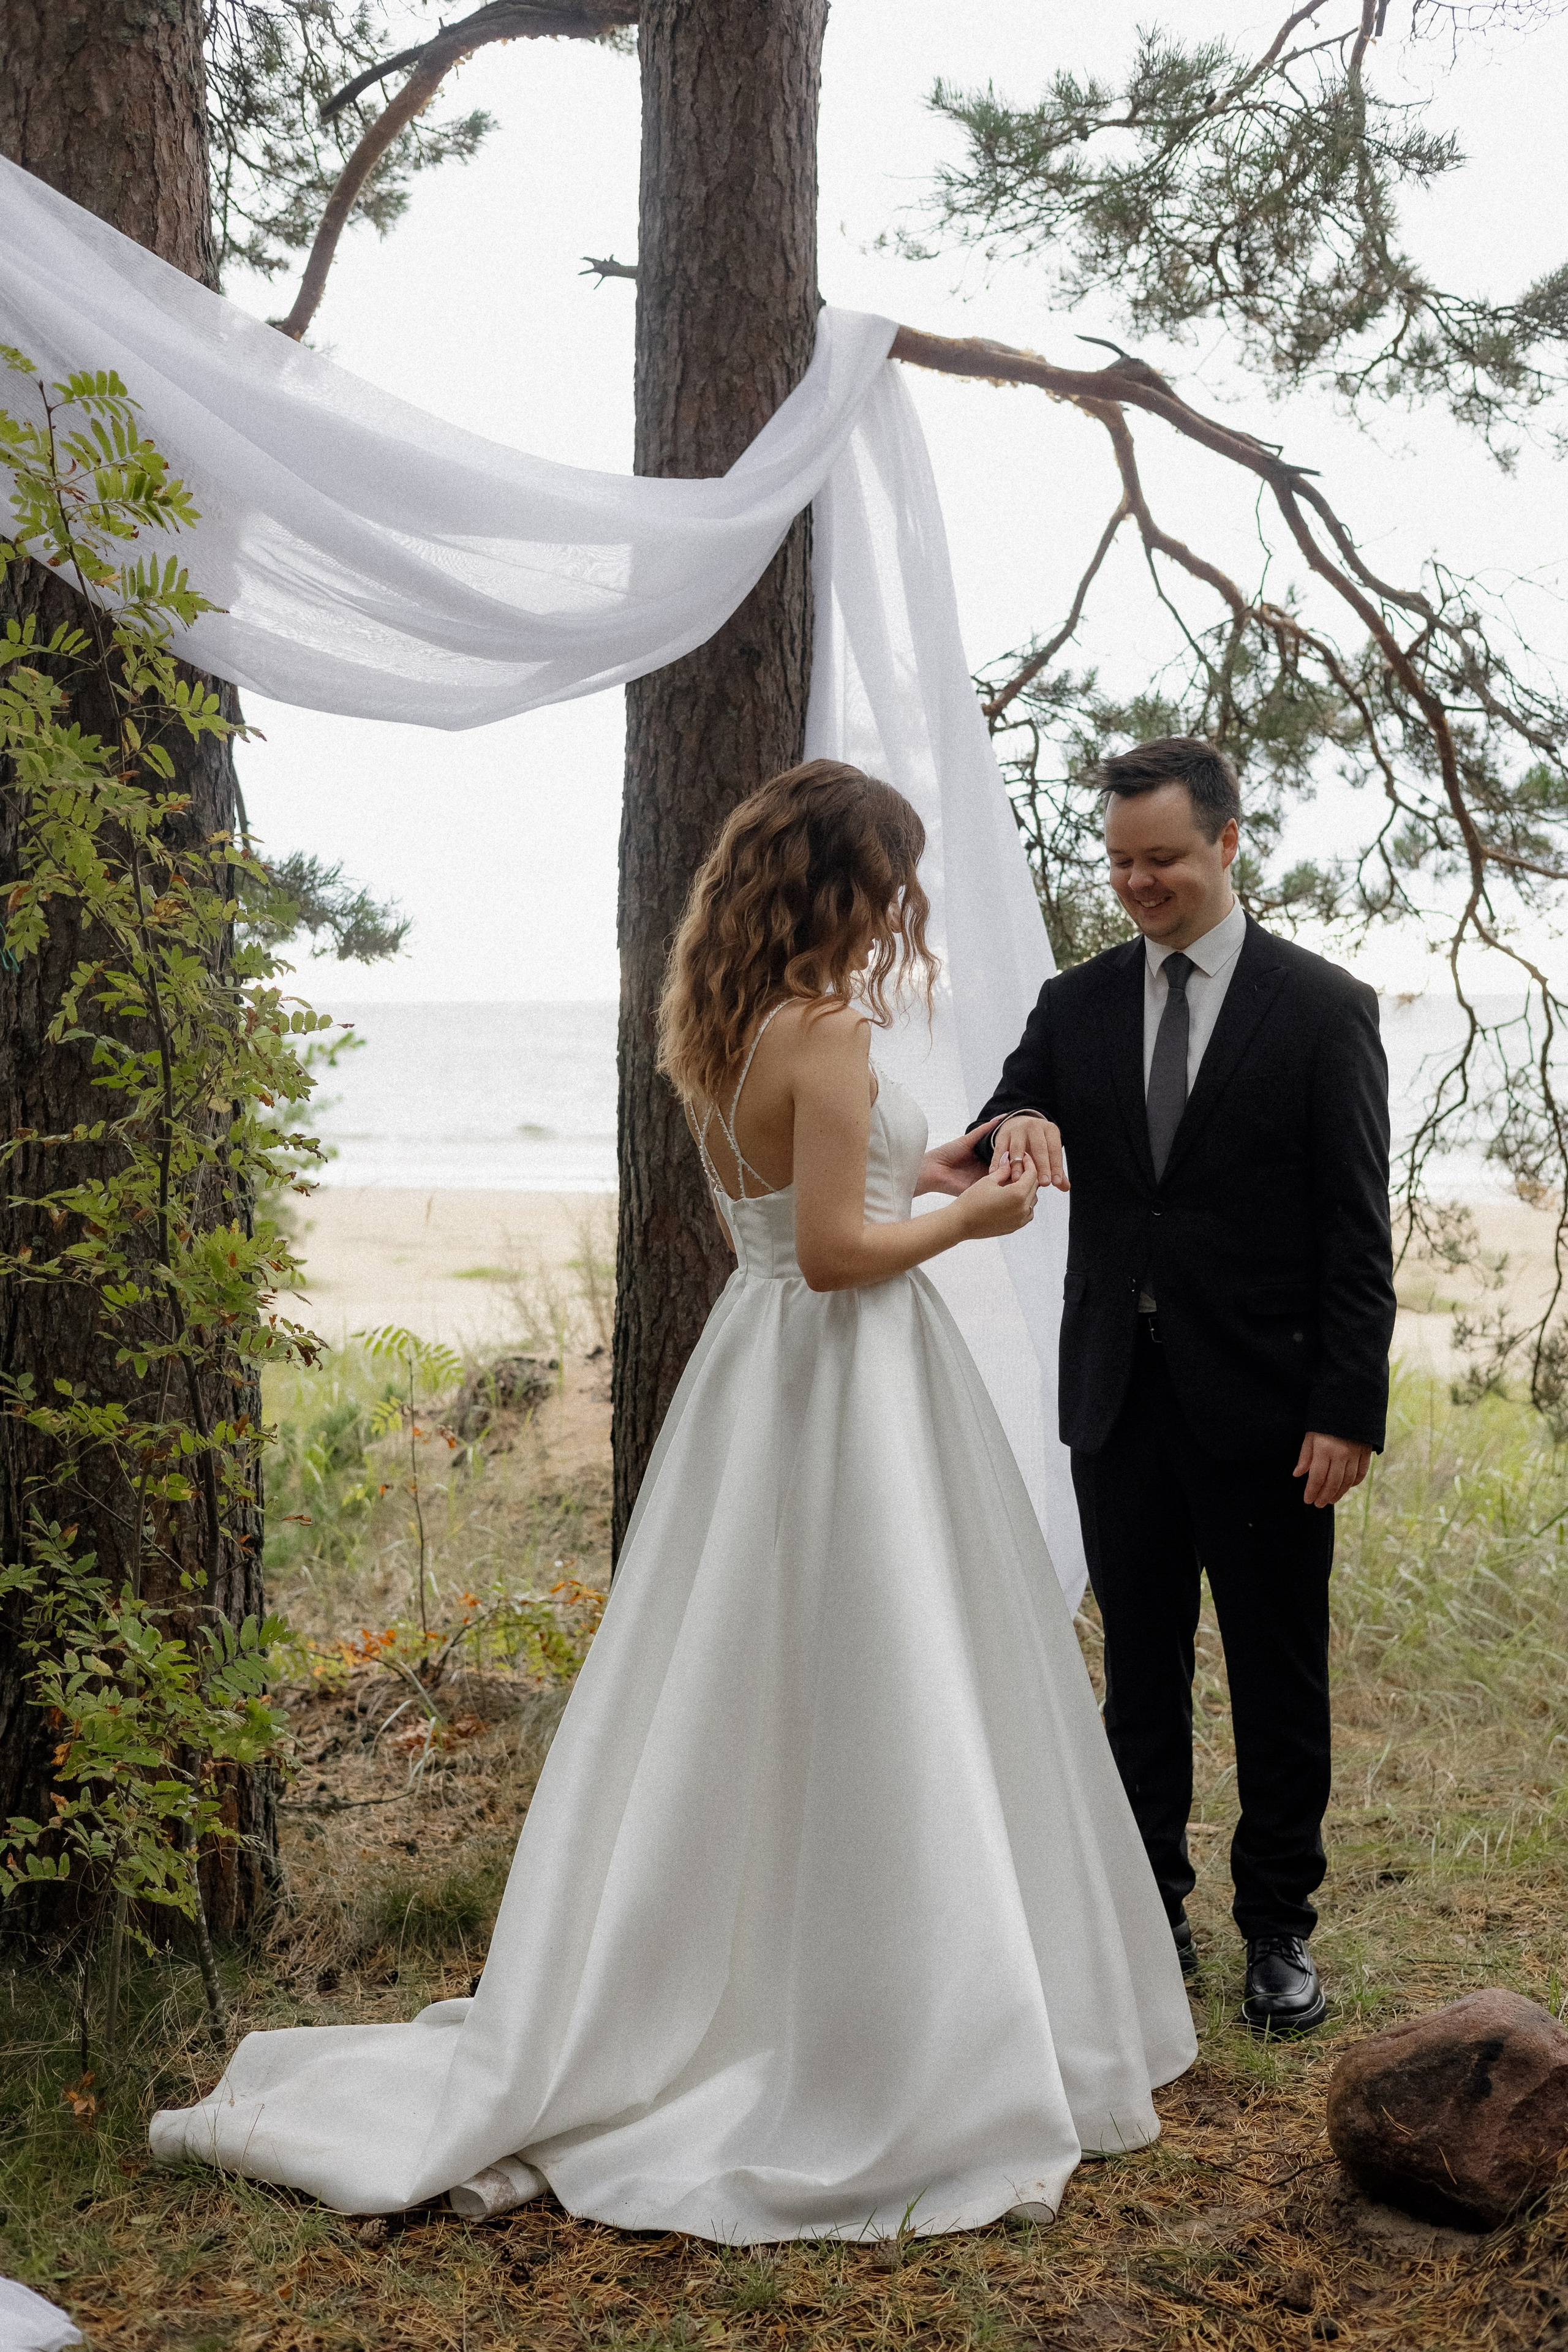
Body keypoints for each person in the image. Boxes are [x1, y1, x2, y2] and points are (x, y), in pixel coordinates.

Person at [151, 758, 1194, 2241]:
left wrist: (934, 1162)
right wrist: (974, 1213)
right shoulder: (826, 1031)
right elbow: (836, 1251)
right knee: (876, 1677)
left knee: (759, 1684)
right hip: (844, 1375)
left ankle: (768, 1967)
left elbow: (801, 1205)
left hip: (762, 1377)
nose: (905, 907)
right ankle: (876, 2022)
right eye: (890, 880)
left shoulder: (738, 1024)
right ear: (846, 889)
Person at [965, 737, 1396, 2035]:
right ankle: (1144, 1913)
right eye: (1117, 863)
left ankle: (1277, 1932)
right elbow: (1002, 1122)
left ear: (1223, 842)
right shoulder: (1075, 1002)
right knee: (1136, 1675)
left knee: (1276, 1675)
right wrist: (1013, 1129)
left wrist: (1345, 1409)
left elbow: (1356, 1230)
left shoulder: (1322, 1009)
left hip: (1269, 1411)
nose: (1136, 884)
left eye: (1158, 858)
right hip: (1116, 1399)